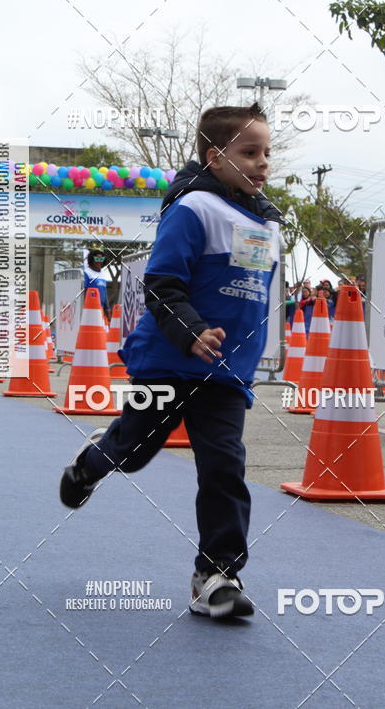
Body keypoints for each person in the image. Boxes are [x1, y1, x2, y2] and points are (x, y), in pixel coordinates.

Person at [60, 101, 281, 619]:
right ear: (215, 157)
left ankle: (216, 573)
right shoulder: (193, 210)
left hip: (224, 373)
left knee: (224, 464)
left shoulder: (268, 225)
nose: (262, 163)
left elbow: (252, 297)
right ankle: (90, 464)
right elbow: (162, 284)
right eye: (249, 152)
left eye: (267, 153)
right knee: (132, 451)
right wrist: (194, 332)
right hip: (168, 363)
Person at [83, 248, 111, 320]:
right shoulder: (86, 273)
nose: (99, 262)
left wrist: (107, 309)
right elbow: (83, 292)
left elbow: (105, 293)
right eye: (97, 259)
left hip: (100, 309)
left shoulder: (103, 274)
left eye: (101, 259)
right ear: (92, 259)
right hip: (89, 309)